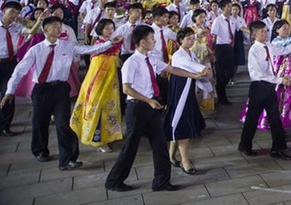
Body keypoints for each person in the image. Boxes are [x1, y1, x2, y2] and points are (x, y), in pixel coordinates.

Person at [2, 15, 121, 170]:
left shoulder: (67, 46)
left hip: (61, 89)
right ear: (46, 30)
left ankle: (68, 159)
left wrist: (109, 43)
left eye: (60, 26)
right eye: (55, 27)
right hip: (41, 90)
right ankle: (40, 151)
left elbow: (90, 49)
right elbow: (20, 71)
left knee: (63, 124)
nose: (59, 29)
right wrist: (10, 91)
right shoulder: (36, 50)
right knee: (40, 122)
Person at [104, 24, 209, 192]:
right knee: (130, 147)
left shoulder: (152, 58)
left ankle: (161, 181)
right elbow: (127, 89)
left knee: (160, 144)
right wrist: (148, 100)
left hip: (152, 107)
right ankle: (114, 180)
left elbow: (172, 69)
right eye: (152, 39)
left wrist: (194, 75)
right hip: (137, 108)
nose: (155, 41)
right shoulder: (131, 62)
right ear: (143, 42)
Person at [237, 20, 291, 158]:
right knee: (252, 118)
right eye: (262, 32)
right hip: (259, 87)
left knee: (275, 118)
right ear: (254, 34)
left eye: (266, 31)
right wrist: (281, 80)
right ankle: (245, 145)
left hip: (269, 86)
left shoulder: (268, 45)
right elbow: (260, 74)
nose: (265, 34)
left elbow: (285, 50)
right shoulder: (254, 50)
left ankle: (277, 148)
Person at [69, 18, 123, 153]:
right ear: (100, 30)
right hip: (99, 81)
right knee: (97, 107)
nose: (110, 31)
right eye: (106, 28)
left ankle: (110, 135)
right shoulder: (100, 44)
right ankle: (98, 139)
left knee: (110, 107)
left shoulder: (114, 42)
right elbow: (96, 68)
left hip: (111, 81)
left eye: (111, 28)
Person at [164, 28, 211, 175]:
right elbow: (192, 67)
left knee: (178, 123)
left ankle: (171, 156)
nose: (191, 41)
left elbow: (195, 69)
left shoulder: (190, 53)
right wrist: (202, 70)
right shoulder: (178, 55)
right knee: (181, 123)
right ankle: (185, 162)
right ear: (180, 41)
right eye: (187, 39)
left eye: (192, 38)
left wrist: (201, 75)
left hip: (188, 90)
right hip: (180, 91)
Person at [0, 1, 24, 136]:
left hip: (10, 63)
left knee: (8, 92)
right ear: (4, 11)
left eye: (17, 13)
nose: (14, 15)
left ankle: (5, 125)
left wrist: (23, 20)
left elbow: (34, 30)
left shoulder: (17, 26)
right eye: (11, 12)